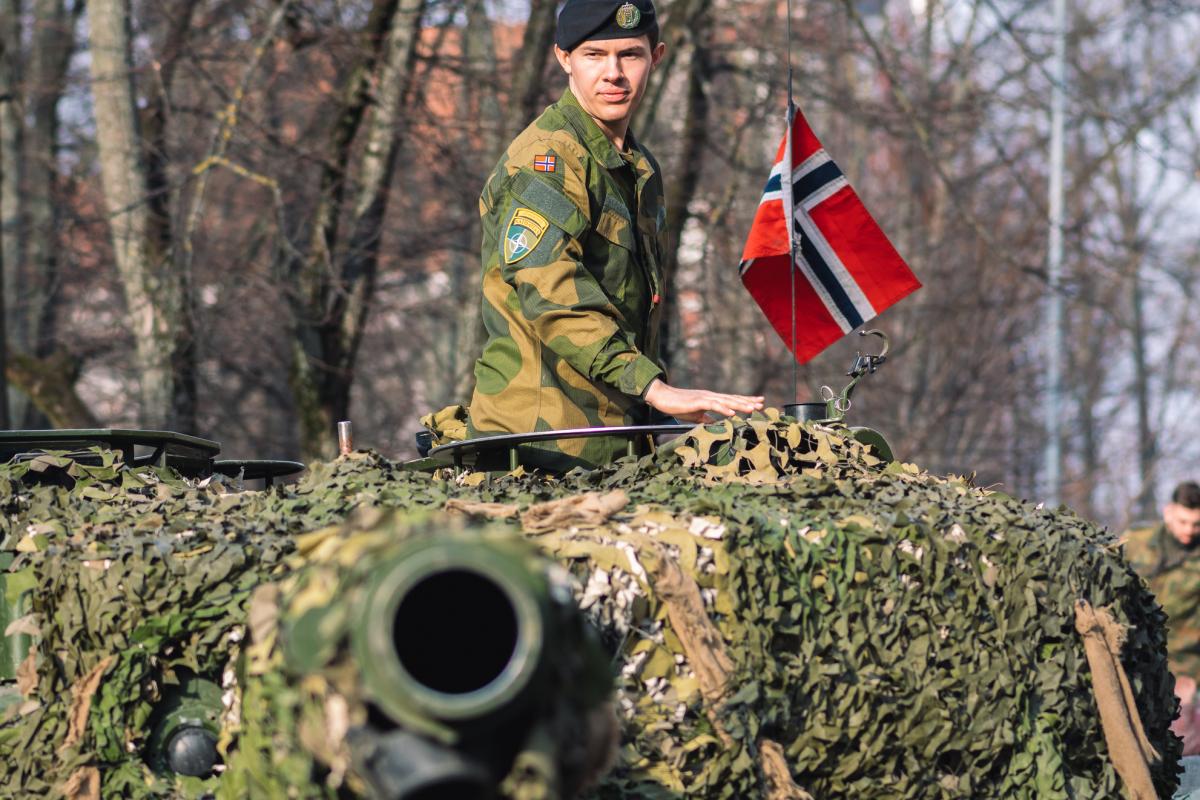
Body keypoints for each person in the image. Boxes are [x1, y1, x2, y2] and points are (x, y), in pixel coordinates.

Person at [467, 0, 763, 470]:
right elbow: (553, 296)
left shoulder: (637, 166)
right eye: (594, 55)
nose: (614, 74)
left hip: (613, 443)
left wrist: (652, 403)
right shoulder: (548, 161)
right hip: (538, 448)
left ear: (656, 57)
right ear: (564, 58)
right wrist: (653, 388)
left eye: (630, 54)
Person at [1124, 481, 1200, 753]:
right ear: (1168, 513)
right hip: (1134, 656)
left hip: (1182, 666)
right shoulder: (1136, 542)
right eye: (1183, 522)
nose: (1189, 530)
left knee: (1181, 748)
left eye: (1196, 524)